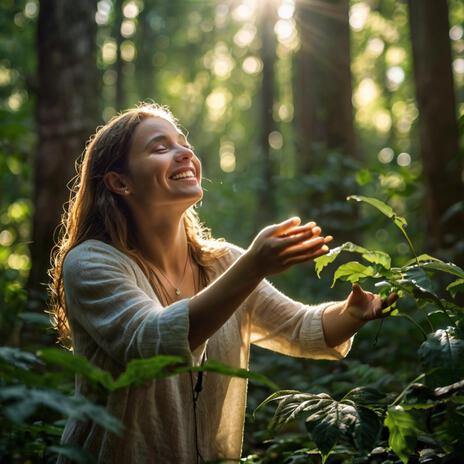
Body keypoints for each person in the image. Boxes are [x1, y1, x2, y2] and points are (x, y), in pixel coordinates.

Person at [49, 103, 397, 463]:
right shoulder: (91, 263)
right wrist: (253, 265)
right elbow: (153, 346)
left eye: (184, 143)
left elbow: (299, 328)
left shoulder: (223, 263)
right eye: (160, 147)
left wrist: (353, 312)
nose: (184, 152)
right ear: (120, 182)